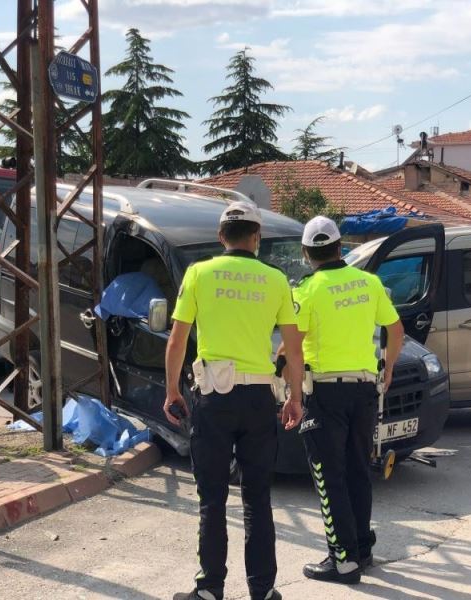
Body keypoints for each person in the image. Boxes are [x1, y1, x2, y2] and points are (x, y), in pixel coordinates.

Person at [164, 201, 304, 600]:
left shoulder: (199, 274)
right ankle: (263, 592)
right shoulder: (276, 280)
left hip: (213, 397)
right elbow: (293, 348)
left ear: (221, 236)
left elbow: (177, 339)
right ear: (256, 238)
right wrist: (294, 396)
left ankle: (209, 590)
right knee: (258, 497)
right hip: (260, 398)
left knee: (213, 497)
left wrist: (172, 389)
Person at [292, 216, 404, 585]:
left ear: (307, 254)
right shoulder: (370, 283)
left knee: (329, 475)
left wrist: (288, 389)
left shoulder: (307, 290)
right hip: (364, 390)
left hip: (325, 392)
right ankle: (361, 549)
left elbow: (293, 343)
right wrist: (387, 370)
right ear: (341, 247)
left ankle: (342, 562)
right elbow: (395, 329)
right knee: (358, 469)